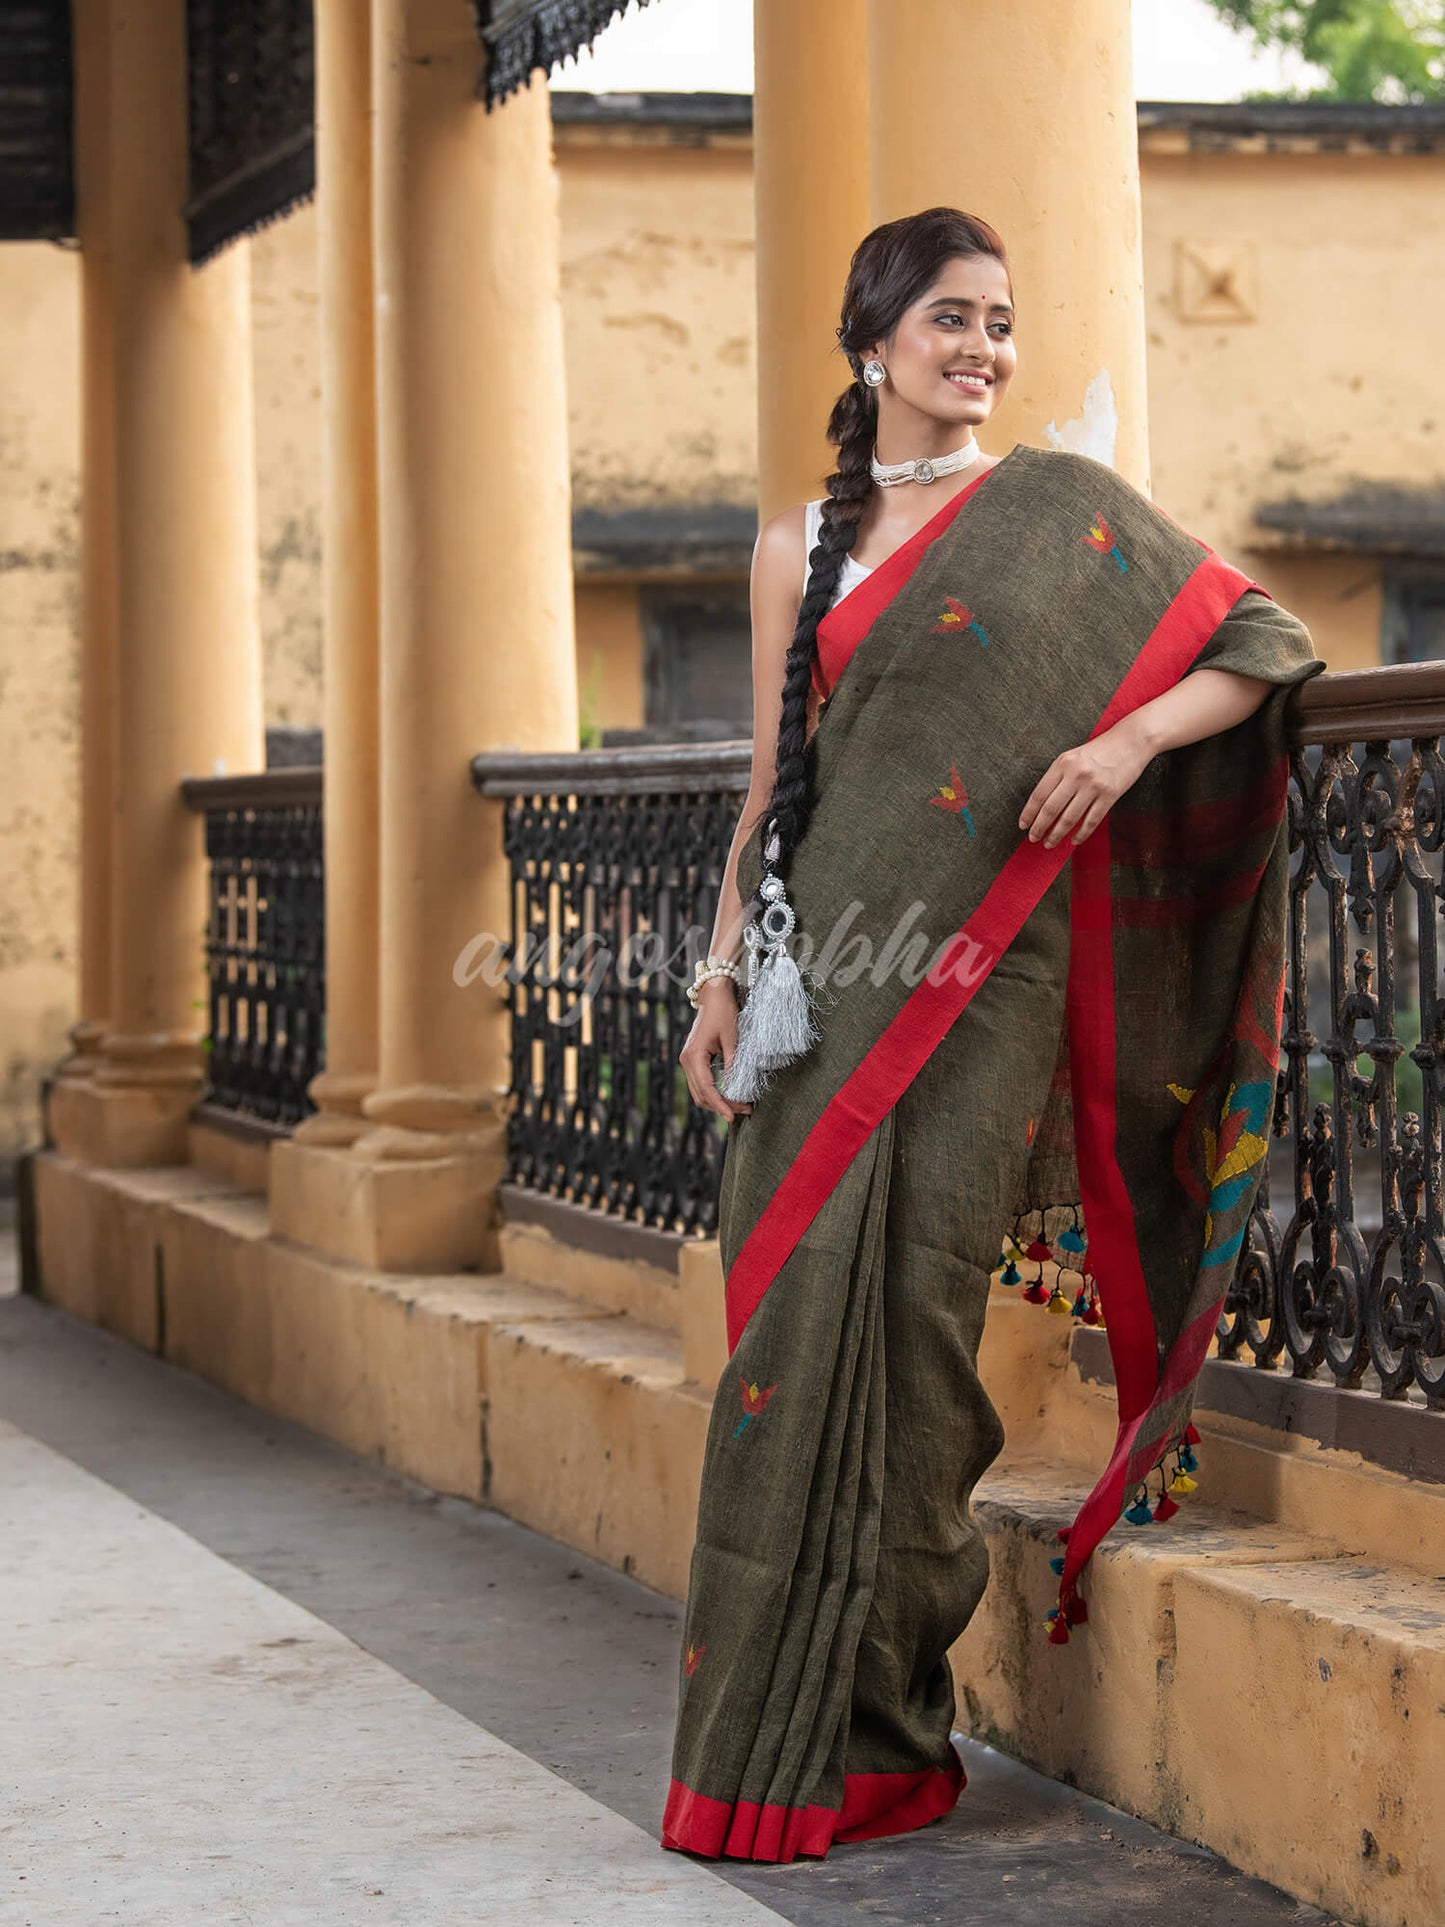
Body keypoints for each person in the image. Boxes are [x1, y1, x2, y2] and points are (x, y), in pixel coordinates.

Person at [665, 207, 1323, 1864]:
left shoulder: (1064, 520)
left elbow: (1265, 640)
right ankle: (761, 1756)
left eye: (1001, 324)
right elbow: (770, 791)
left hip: (981, 994)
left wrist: (1123, 746)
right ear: (871, 340)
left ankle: (883, 1743)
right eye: (950, 320)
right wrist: (719, 973)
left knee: (918, 1360)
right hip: (819, 995)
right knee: (781, 1353)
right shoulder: (787, 546)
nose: (981, 351)